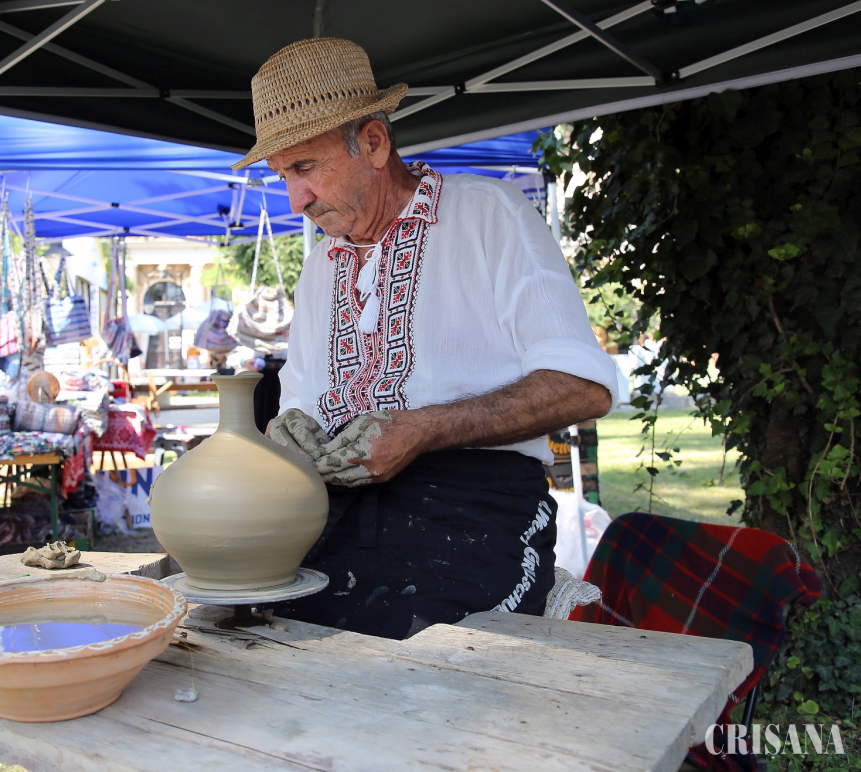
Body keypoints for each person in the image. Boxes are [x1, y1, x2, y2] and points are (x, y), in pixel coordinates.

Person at [234, 39, 619, 640]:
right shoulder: (319, 269)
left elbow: (582, 387)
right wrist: (283, 438)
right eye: (283, 175)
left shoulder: (487, 214)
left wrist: (421, 429)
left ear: (374, 143)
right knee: (259, 629)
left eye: (305, 168)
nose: (295, 200)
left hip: (475, 506)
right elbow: (301, 411)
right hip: (334, 510)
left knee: (414, 653)